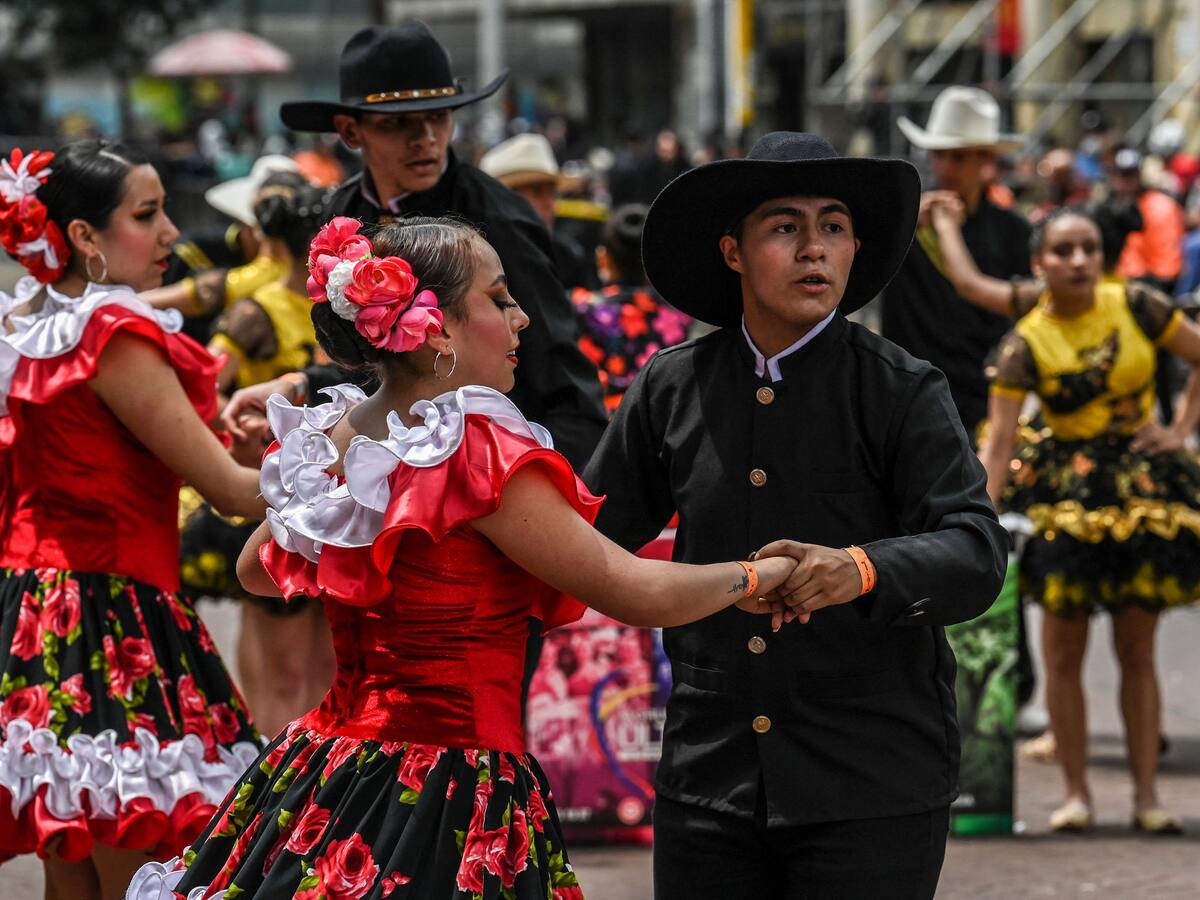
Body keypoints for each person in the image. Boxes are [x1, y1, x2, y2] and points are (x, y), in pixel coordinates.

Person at [125, 215, 798, 899]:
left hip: (327, 768)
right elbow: (631, 589)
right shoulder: (478, 449)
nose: (522, 319)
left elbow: (255, 572)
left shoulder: (334, 437)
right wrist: (763, 574)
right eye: (500, 298)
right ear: (436, 329)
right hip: (450, 784)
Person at [583, 133, 1008, 899]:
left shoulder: (902, 388)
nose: (815, 248)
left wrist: (859, 568)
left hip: (871, 783)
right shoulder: (671, 387)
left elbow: (976, 552)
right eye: (785, 227)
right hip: (710, 778)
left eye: (834, 226)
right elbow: (586, 537)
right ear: (734, 251)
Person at [0, 141, 266, 898]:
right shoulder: (111, 334)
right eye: (147, 215)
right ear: (84, 237)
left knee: (76, 871)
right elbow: (232, 493)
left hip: (39, 616)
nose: (172, 233)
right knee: (143, 870)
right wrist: (355, 455)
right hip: (109, 620)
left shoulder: (31, 334)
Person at [265, 21, 607, 472]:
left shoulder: (498, 220)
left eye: (438, 116)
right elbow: (374, 364)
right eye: (399, 122)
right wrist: (298, 385)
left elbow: (564, 386)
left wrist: (539, 492)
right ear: (350, 131)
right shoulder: (342, 215)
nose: (425, 137)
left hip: (492, 469)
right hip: (382, 465)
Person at [977, 207, 1200, 834]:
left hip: (1143, 490)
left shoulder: (1136, 304)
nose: (1079, 262)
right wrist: (978, 521)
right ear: (1038, 264)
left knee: (1138, 650)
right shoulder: (1023, 341)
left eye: (1089, 249)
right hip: (1064, 498)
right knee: (1064, 653)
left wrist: (1179, 431)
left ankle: (1148, 798)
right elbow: (997, 443)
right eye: (1064, 251)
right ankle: (1076, 795)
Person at [181, 173, 336, 737]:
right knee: (282, 666)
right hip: (275, 502)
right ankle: (270, 789)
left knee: (325, 667)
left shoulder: (344, 312)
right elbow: (205, 387)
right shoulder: (258, 312)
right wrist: (246, 431)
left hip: (339, 501)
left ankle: (311, 787)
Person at [885, 85, 1032, 434]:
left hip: (984, 391)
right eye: (940, 155)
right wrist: (897, 225)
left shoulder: (1011, 229)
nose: (946, 166)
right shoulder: (900, 220)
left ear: (986, 161)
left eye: (959, 156)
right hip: (911, 393)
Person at [570, 203, 693, 413]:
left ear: (604, 258)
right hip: (665, 418)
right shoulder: (680, 314)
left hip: (604, 423)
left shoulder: (582, 308)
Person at [479, 132, 596, 289]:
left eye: (553, 193)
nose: (550, 203)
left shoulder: (565, 257)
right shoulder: (477, 263)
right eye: (537, 191)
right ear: (502, 198)